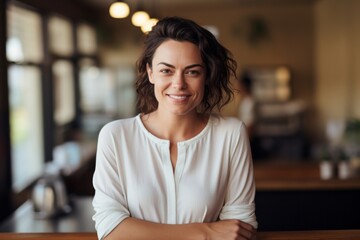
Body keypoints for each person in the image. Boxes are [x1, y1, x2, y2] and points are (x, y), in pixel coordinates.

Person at [92, 16, 257, 240]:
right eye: (166, 71)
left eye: (192, 72)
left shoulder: (230, 134)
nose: (178, 84)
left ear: (206, 76)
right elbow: (111, 230)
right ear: (150, 73)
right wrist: (206, 231)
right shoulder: (115, 137)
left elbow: (240, 228)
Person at [238, 70, 256, 138]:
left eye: (239, 85)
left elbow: (250, 125)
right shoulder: (246, 101)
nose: (238, 88)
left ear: (244, 86)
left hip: (249, 138)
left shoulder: (249, 103)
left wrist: (245, 139)